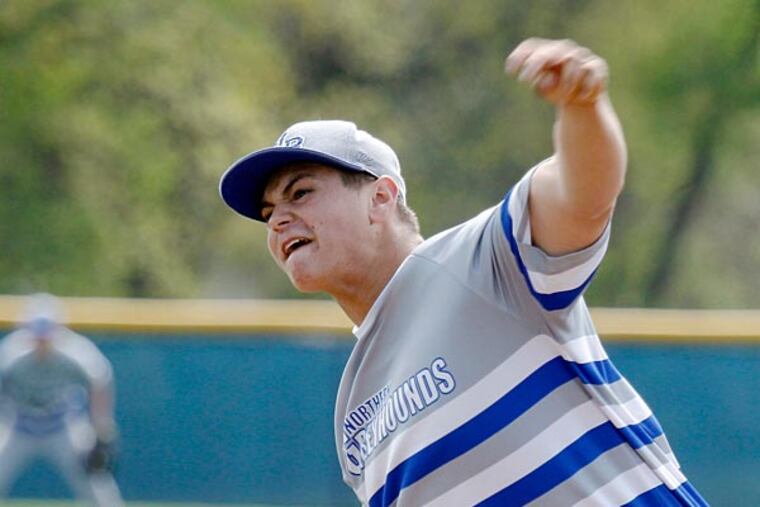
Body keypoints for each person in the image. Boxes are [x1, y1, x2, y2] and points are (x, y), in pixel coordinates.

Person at [220, 38, 707, 506]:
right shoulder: (353, 409)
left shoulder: (485, 258)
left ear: (381, 198)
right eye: (268, 212)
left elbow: (585, 197)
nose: (279, 219)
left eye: (300, 192)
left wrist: (582, 109)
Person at [0, 293, 124, 506]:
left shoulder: (74, 351)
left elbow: (100, 380)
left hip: (63, 427)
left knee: (97, 488)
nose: (42, 342)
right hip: (19, 426)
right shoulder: (13, 353)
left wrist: (102, 429)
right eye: (38, 335)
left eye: (46, 335)